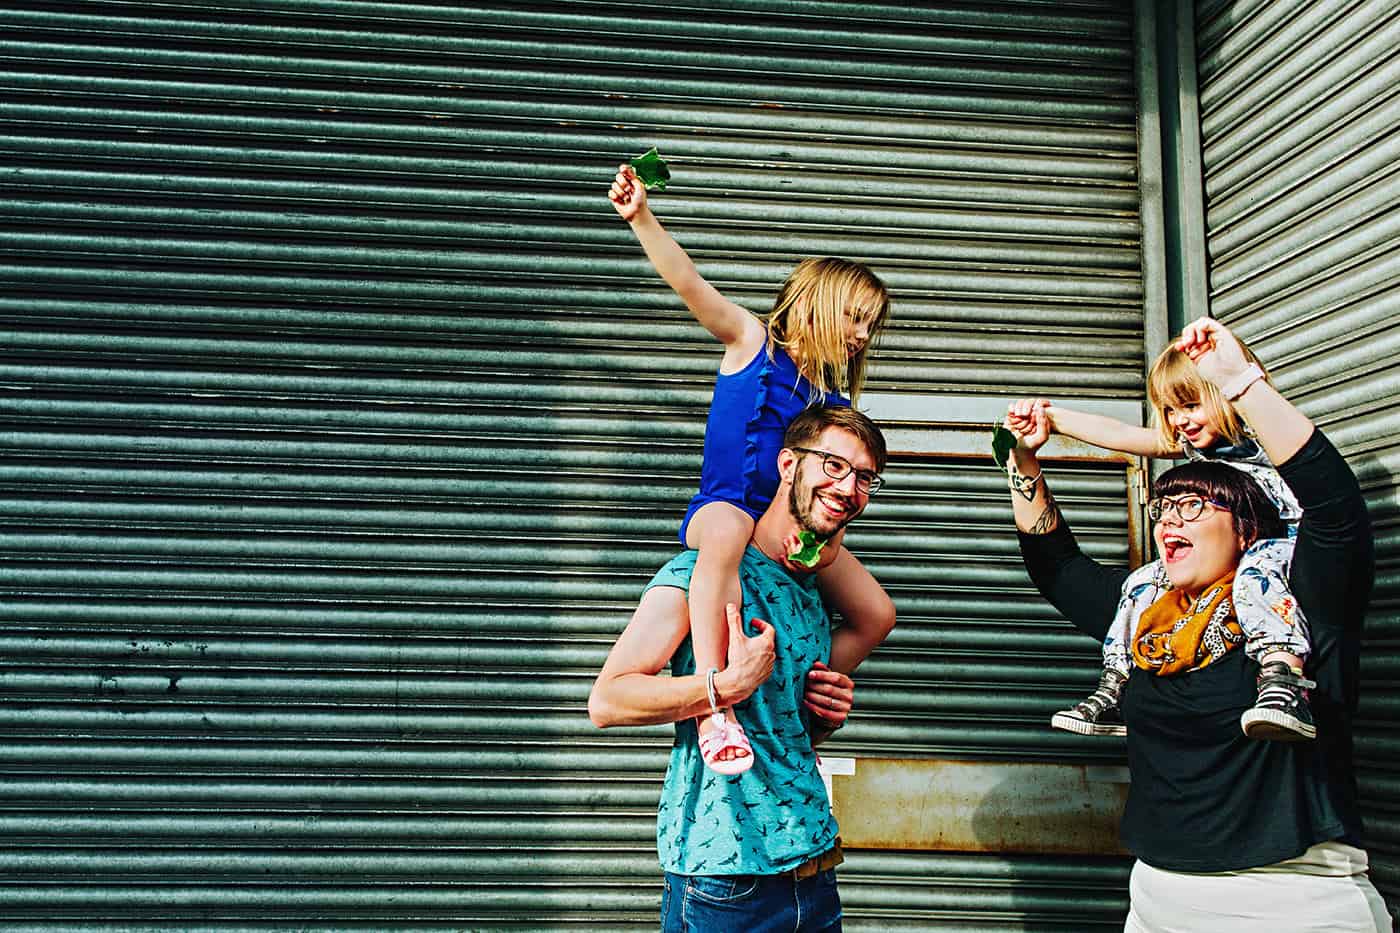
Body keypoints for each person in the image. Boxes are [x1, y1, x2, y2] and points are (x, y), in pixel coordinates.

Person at [1003, 318, 1389, 931]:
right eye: (1164, 506)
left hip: (1294, 901)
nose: (1168, 521)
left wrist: (1239, 383)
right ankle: (1110, 692)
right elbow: (1058, 566)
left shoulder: (1303, 596)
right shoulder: (1155, 617)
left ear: (1244, 522)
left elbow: (1335, 509)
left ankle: (1280, 684)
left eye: (1193, 505)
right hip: (1161, 901)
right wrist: (1022, 458)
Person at [608, 162, 896, 775]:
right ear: (818, 304)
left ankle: (802, 694)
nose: (863, 335)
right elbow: (691, 285)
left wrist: (820, 543)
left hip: (781, 527)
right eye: (855, 318)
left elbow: (834, 502)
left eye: (872, 326)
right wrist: (642, 219)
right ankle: (717, 706)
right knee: (729, 533)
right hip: (722, 507)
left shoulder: (836, 407)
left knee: (877, 612)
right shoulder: (752, 345)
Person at [589, 405, 892, 933]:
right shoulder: (699, 574)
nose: (849, 487)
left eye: (865, 477)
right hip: (726, 882)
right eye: (834, 465)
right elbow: (608, 700)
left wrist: (823, 715)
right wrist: (722, 686)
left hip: (814, 868)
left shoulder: (814, 591)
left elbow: (786, 730)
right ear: (788, 464)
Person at [1010, 332, 1312, 741]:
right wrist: (1049, 417)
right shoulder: (1192, 449)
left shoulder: (1257, 438)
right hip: (1227, 555)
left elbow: (1303, 450)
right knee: (1137, 583)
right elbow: (1121, 435)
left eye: (1190, 405)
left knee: (1253, 579)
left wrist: (1236, 376)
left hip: (1277, 545)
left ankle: (1283, 678)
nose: (1180, 420)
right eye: (1169, 410)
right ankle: (1116, 682)